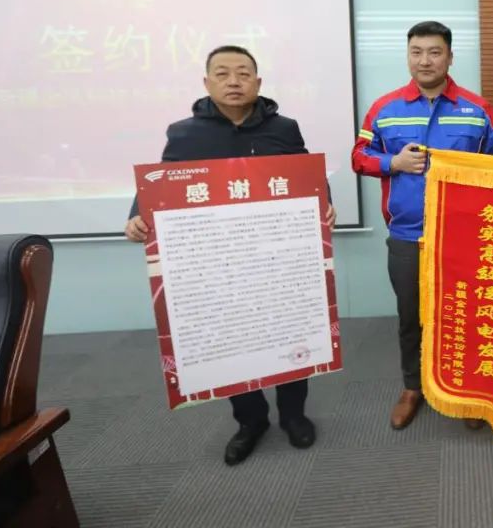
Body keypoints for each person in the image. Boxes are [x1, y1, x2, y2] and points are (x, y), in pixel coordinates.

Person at [125, 45, 335, 466]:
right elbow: (161, 183)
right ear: (207, 83)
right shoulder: (185, 133)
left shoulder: (284, 128)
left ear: (258, 82)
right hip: (219, 261)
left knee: (290, 331)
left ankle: (293, 415)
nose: (234, 81)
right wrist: (136, 215)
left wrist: (325, 201)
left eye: (243, 73)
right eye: (222, 74)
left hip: (276, 257)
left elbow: (305, 174)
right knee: (234, 342)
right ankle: (250, 421)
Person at [351, 20, 493, 430]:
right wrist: (392, 162)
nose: (424, 60)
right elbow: (358, 156)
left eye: (434, 52)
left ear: (449, 57)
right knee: (411, 317)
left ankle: (468, 390)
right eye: (417, 52)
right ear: (408, 56)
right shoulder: (384, 108)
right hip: (407, 237)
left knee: (467, 314)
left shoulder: (477, 108)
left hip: (466, 236)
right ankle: (413, 386)